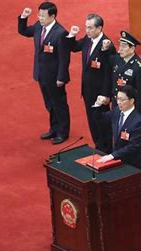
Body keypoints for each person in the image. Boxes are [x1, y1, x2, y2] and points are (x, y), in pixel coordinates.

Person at [95, 85, 141, 239]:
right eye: (117, 99)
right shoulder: (117, 112)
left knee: (137, 200)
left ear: (131, 101)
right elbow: (101, 120)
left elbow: (134, 146)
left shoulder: (137, 121)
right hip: (120, 164)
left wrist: (112, 156)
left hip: (134, 165)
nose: (118, 102)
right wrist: (99, 105)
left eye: (122, 100)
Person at [18, 2, 71, 144]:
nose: (40, 18)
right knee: (49, 103)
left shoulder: (61, 33)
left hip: (55, 77)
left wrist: (61, 77)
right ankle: (54, 129)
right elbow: (24, 31)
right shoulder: (38, 26)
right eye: (39, 15)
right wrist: (23, 17)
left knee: (59, 104)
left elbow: (64, 58)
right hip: (41, 74)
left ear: (52, 16)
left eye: (43, 15)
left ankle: (63, 132)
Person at [66, 14, 116, 153]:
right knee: (92, 121)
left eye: (90, 28)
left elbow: (109, 71)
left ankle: (106, 150)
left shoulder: (107, 45)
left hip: (100, 93)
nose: (87, 31)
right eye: (86, 27)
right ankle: (98, 146)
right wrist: (72, 35)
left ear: (99, 28)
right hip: (87, 90)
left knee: (102, 123)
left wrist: (106, 94)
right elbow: (75, 47)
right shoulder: (88, 40)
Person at [102, 31, 141, 116]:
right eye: (120, 45)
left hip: (129, 108)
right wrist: (105, 49)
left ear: (132, 49)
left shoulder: (139, 67)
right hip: (116, 104)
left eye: (124, 46)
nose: (120, 49)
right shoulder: (117, 59)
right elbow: (105, 62)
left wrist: (138, 115)